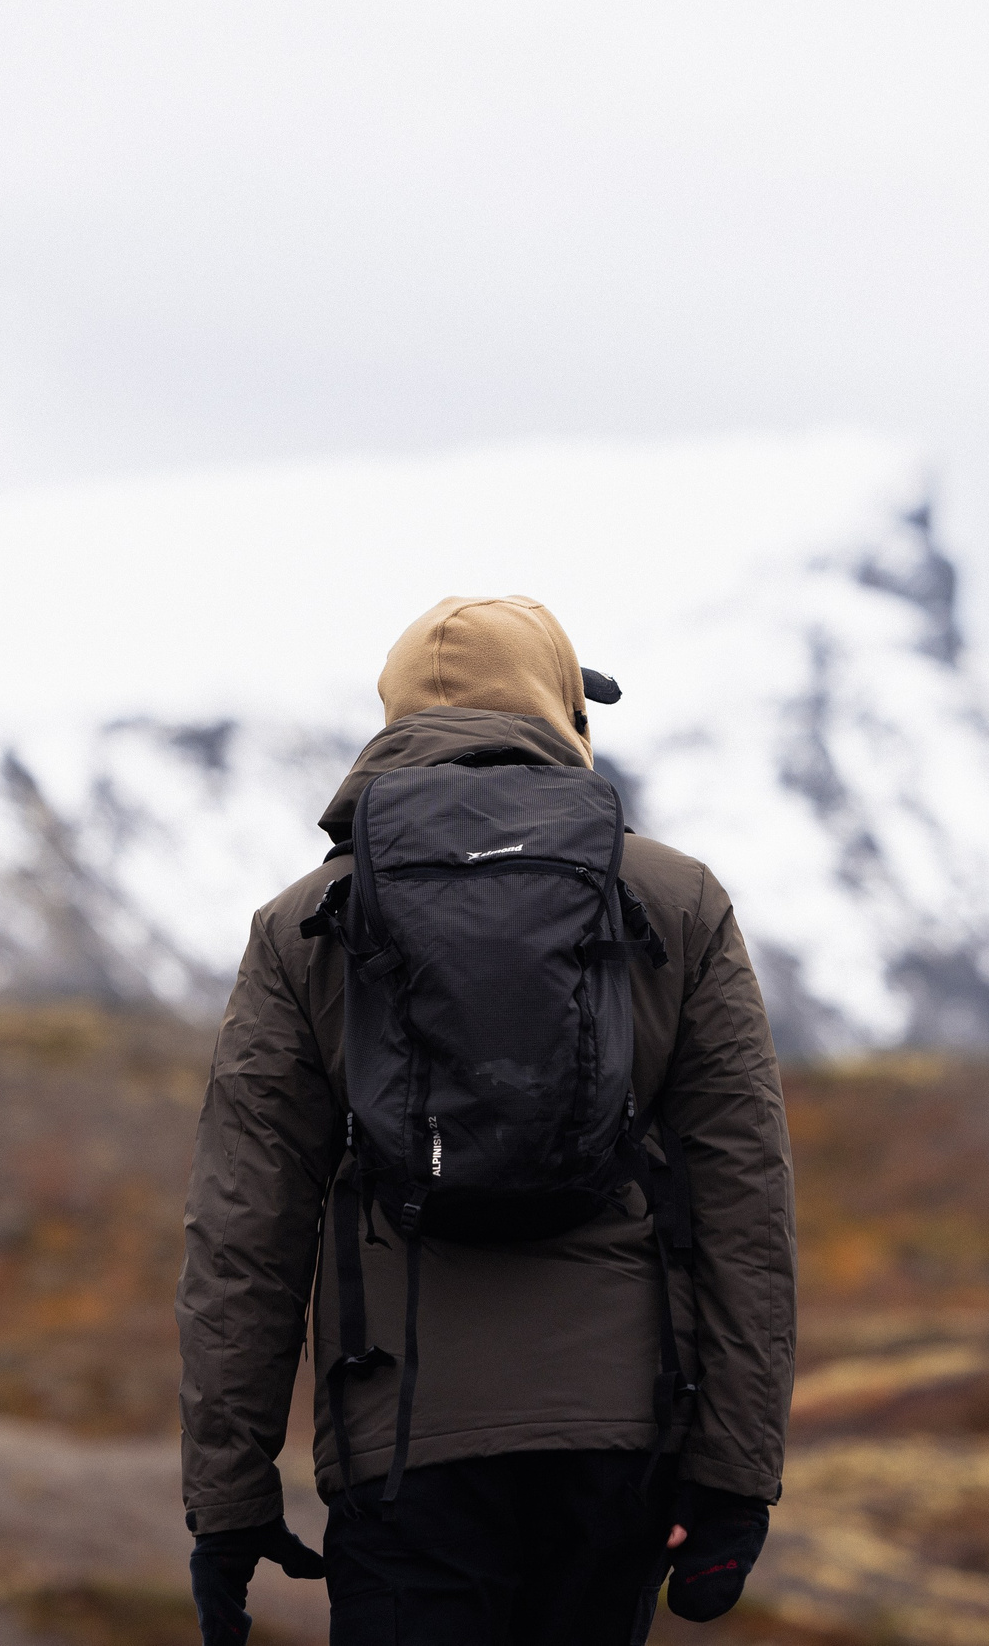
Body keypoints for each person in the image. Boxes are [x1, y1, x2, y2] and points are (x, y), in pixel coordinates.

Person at [177, 594, 796, 1645]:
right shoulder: (678, 899)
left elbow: (246, 1230)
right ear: (562, 711)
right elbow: (744, 1200)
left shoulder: (304, 923)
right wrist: (735, 1474)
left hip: (401, 1446)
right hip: (617, 1440)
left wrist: (227, 1496)